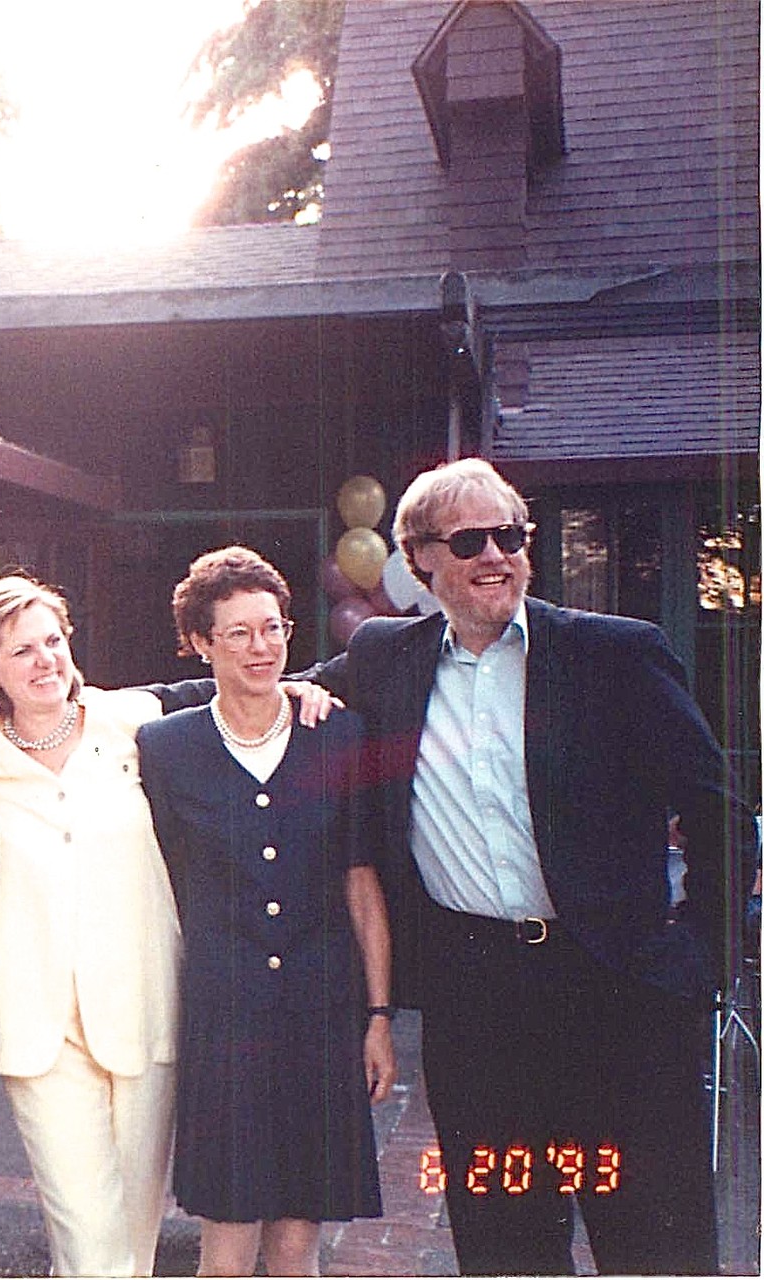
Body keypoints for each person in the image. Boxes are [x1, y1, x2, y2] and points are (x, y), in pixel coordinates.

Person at [304, 458, 754, 1275]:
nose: (494, 555)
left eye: (508, 535)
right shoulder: (382, 658)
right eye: (468, 539)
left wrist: (695, 962)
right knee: (504, 1247)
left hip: (619, 994)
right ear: (419, 563)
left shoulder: (614, 655)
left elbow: (718, 810)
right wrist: (101, 710)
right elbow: (252, 698)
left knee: (658, 1244)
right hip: (476, 1012)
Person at [137, 546, 395, 1278]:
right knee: (226, 1247)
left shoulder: (335, 734)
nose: (262, 647)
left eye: (273, 628)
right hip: (226, 1019)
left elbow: (360, 882)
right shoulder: (163, 748)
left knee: (296, 1241)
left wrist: (376, 1016)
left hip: (319, 1010)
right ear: (199, 643)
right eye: (240, 633)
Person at [0, 575, 182, 1277]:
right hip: (41, 1031)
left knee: (134, 1238)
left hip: (142, 1010)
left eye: (52, 640)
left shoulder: (133, 725)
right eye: (21, 650)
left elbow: (239, 700)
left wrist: (296, 692)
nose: (44, 660)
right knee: (89, 1238)